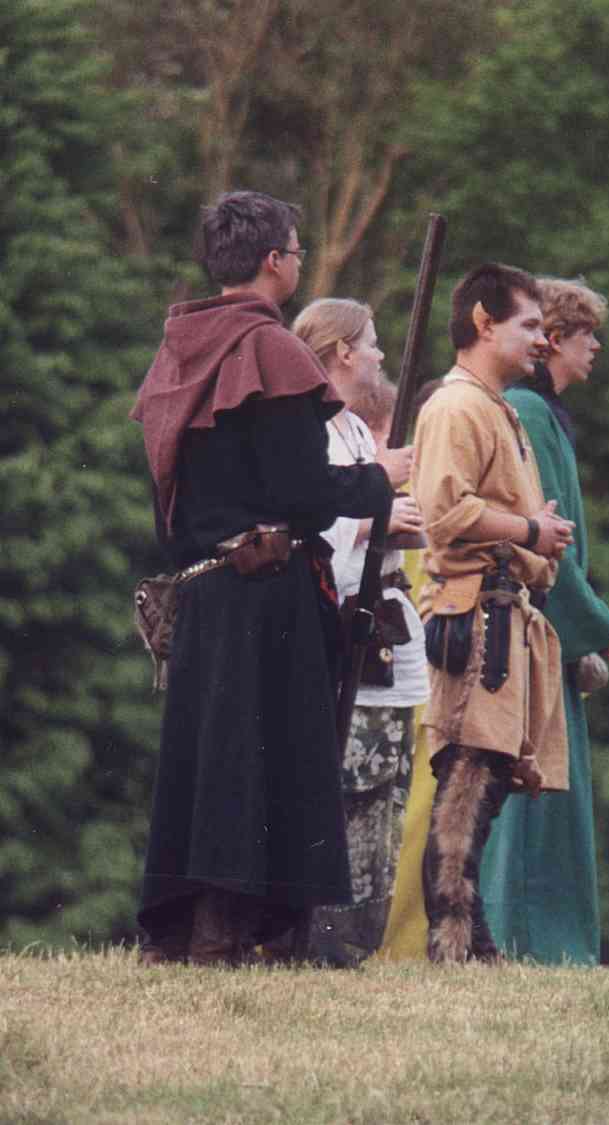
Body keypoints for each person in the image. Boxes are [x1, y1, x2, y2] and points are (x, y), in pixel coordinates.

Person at [130, 191, 393, 967]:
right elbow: (303, 492)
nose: (298, 262)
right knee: (249, 760)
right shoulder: (271, 349)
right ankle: (220, 933)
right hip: (264, 592)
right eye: (297, 251)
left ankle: (185, 933)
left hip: (203, 584)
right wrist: (377, 480)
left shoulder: (179, 348)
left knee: (211, 757)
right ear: (275, 260)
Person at [410, 263, 575, 963]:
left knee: (488, 782)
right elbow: (445, 512)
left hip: (503, 613)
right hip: (475, 618)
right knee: (466, 783)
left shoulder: (494, 407)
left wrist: (533, 530)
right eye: (529, 325)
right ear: (483, 322)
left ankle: (470, 940)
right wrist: (529, 529)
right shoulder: (457, 407)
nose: (542, 339)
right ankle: (454, 942)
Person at [481, 277, 609, 965]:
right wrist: (600, 623)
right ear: (554, 339)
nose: (595, 346)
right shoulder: (527, 408)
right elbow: (548, 542)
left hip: (548, 631)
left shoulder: (543, 413)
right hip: (531, 630)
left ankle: (545, 942)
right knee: (536, 788)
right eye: (586, 334)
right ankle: (533, 943)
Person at [292, 299, 429, 966]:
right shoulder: (314, 433)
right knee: (349, 793)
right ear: (343, 351)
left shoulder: (348, 428)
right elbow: (318, 531)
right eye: (370, 343)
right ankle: (324, 939)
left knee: (383, 800)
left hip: (383, 632)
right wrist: (378, 517)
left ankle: (356, 942)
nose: (378, 354)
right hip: (342, 633)